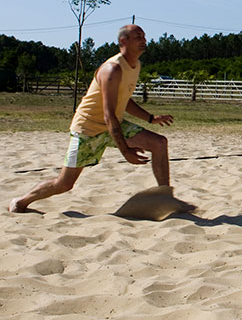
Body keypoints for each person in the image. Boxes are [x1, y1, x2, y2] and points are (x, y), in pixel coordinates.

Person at [9, 25, 188, 213]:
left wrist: (151, 118)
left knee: (159, 143)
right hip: (88, 128)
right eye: (138, 36)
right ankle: (21, 201)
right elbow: (108, 115)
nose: (144, 40)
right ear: (123, 42)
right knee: (64, 184)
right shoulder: (112, 69)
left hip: (113, 125)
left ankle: (165, 197)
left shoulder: (135, 66)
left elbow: (124, 100)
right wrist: (125, 151)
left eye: (144, 36)